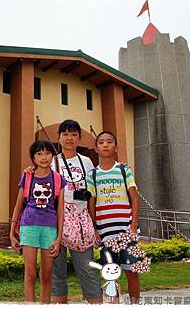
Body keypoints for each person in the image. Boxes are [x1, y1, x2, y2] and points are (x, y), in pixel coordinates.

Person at [50, 120, 102, 304]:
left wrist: (95, 224)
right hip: (56, 222)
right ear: (59, 137)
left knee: (87, 268)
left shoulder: (86, 162)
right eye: (65, 134)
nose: (69, 138)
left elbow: (93, 194)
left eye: (73, 134)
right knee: (57, 271)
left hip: (81, 222)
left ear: (79, 137)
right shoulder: (52, 161)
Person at [88, 131, 141, 304]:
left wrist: (133, 226)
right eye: (101, 142)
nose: (105, 145)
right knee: (111, 276)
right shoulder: (92, 175)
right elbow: (91, 204)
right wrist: (95, 229)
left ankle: (135, 304)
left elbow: (134, 198)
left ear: (116, 147)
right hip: (105, 234)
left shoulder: (124, 170)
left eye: (109, 142)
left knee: (132, 272)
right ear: (96, 148)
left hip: (126, 231)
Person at [10, 140, 66, 303]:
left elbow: (60, 210)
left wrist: (58, 238)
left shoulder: (58, 179)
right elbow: (18, 204)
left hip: (49, 229)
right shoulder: (27, 176)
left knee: (46, 275)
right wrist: (12, 232)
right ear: (33, 157)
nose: (44, 157)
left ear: (52, 155)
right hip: (28, 227)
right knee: (30, 274)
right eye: (39, 153)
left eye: (47, 153)